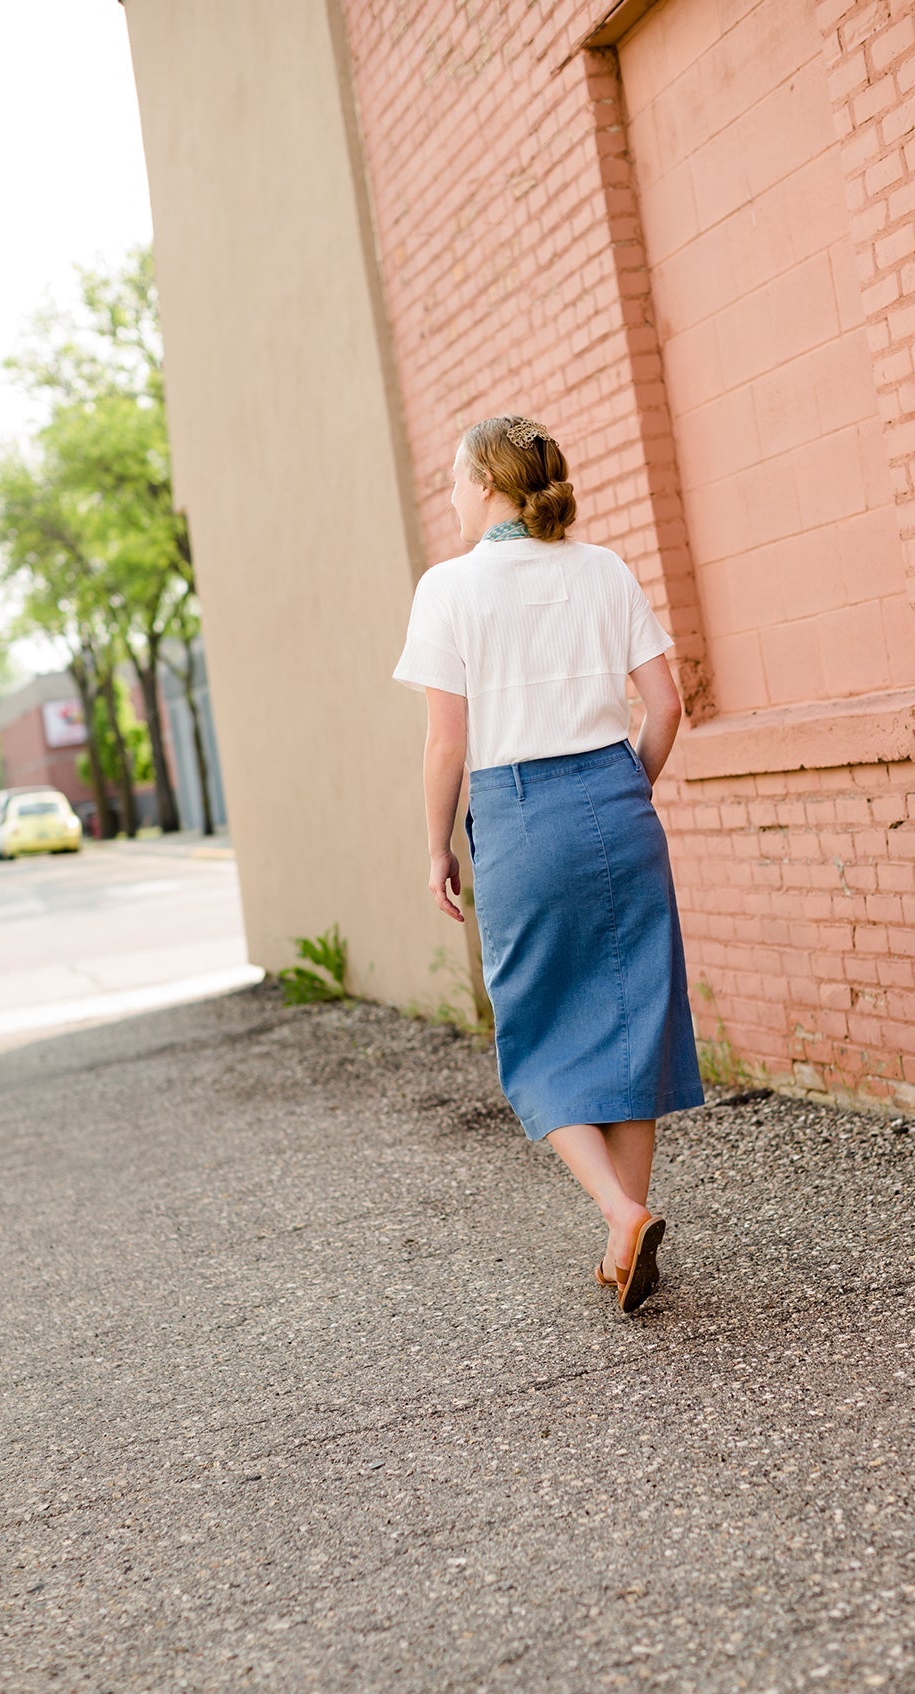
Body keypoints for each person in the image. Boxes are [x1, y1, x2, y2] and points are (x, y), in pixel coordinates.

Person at [392, 415, 704, 1313]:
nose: (449, 496)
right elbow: (665, 705)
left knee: (530, 1029)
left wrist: (435, 846)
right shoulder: (602, 569)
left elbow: (445, 741)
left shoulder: (449, 589)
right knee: (631, 1014)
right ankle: (630, 1221)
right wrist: (623, 794)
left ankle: (619, 1212)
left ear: (488, 484)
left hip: (519, 815)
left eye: (454, 480)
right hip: (616, 799)